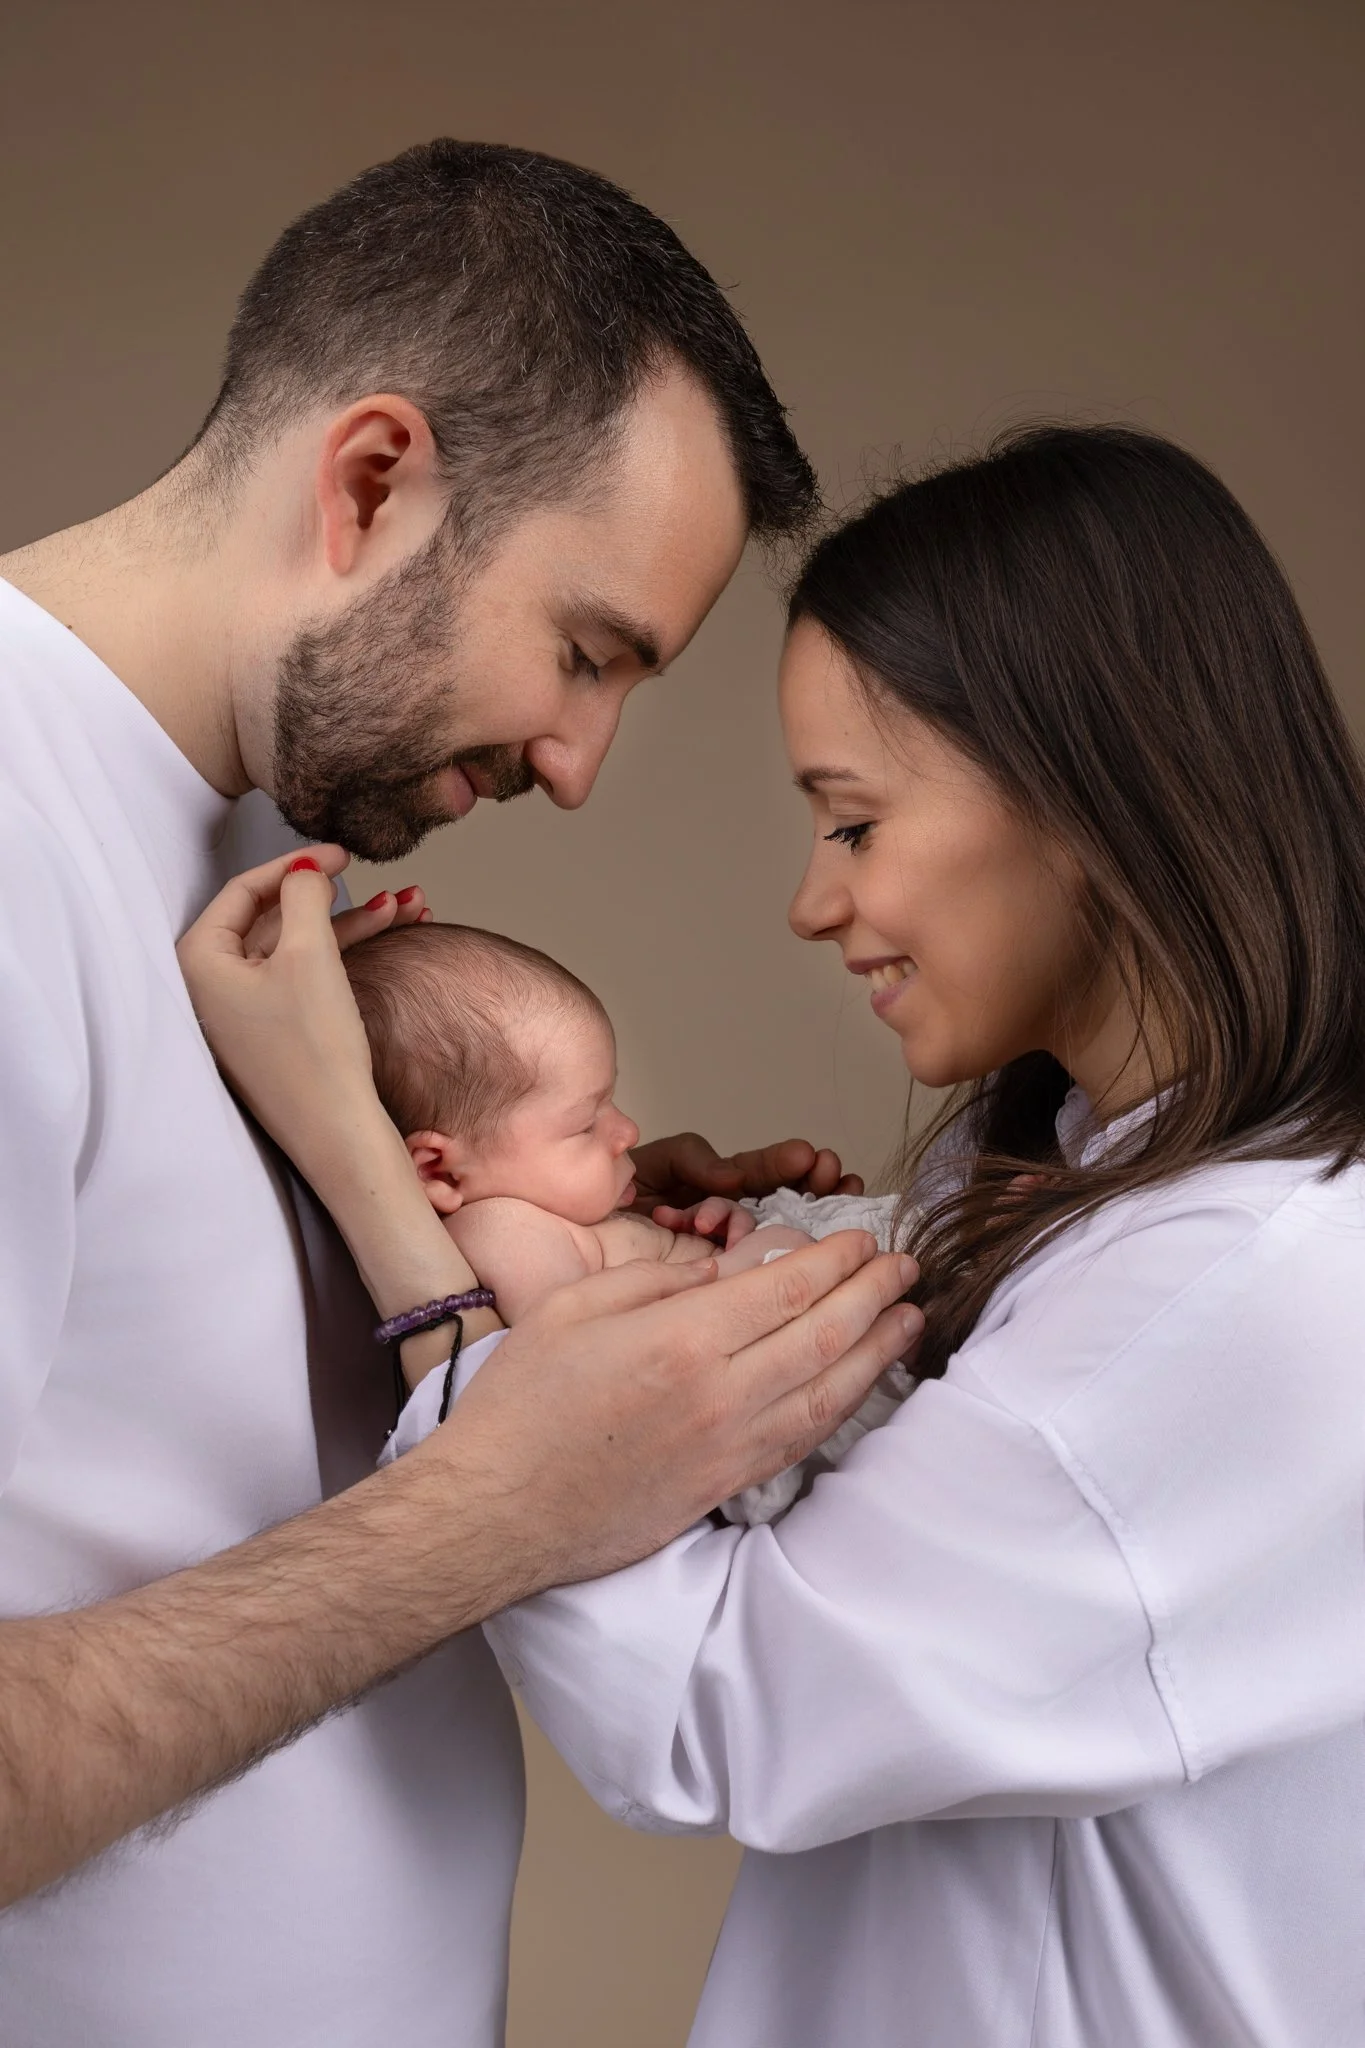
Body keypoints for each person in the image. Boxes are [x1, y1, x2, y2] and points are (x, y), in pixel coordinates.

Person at [202, 424, 1365, 2045]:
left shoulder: (1242, 1302)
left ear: (1088, 799)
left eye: (855, 821)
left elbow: (708, 1706)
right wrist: (636, 1231)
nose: (814, 903)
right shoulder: (1080, 1176)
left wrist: (405, 1216)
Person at [0, 138, 917, 2047]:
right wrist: (500, 1502)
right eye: (585, 654)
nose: (580, 765)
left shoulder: (249, 855)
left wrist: (548, 1235)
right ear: (370, 483)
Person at [342, 918, 913, 1521]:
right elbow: (597, 1369)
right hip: (750, 1390)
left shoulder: (552, 1214)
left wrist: (699, 1231)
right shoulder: (501, 1229)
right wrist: (737, 1263)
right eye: (586, 1124)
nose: (628, 1132)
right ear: (441, 1171)